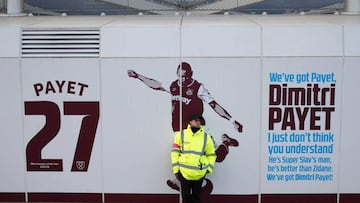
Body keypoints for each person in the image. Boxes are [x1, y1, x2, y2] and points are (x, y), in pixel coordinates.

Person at [171, 114, 217, 203]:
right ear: (190, 122)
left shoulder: (206, 137)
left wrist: (209, 169)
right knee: (185, 196)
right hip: (184, 172)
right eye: (195, 120)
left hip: (199, 172)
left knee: (196, 197)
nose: (198, 122)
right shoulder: (181, 135)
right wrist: (176, 170)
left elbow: (211, 154)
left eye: (199, 120)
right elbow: (174, 153)